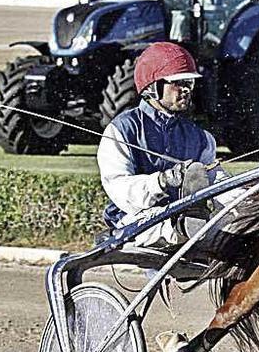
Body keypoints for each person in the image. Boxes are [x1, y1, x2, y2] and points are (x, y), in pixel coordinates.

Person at [96, 41, 235, 249]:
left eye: (189, 82)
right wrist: (161, 182)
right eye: (177, 83)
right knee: (177, 225)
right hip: (132, 220)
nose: (186, 89)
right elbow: (119, 189)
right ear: (153, 87)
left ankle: (189, 228)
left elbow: (218, 183)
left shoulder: (200, 138)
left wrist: (252, 193)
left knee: (237, 221)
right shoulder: (121, 130)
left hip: (185, 217)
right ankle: (185, 228)